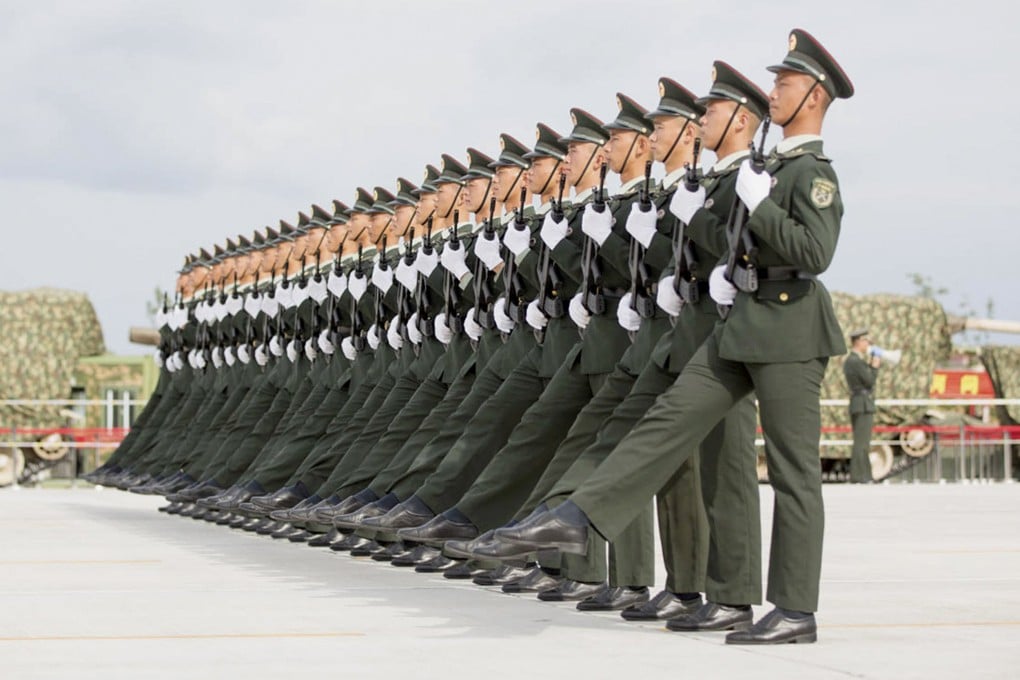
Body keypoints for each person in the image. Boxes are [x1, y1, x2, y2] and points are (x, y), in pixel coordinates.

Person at [488, 28, 854, 645]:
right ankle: (578, 517)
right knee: (663, 421)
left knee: (794, 476)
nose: (774, 92)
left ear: (813, 96)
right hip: (738, 326)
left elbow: (814, 253)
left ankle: (794, 610)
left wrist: (759, 207)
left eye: (784, 84)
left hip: (791, 329)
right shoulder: (764, 170)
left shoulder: (810, 174)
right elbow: (714, 245)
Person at [844, 328, 880, 483]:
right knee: (861, 443)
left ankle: (865, 475)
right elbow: (869, 381)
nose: (868, 344)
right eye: (865, 340)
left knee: (863, 443)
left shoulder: (853, 360)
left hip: (860, 402)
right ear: (858, 341)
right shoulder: (854, 361)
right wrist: (874, 367)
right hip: (862, 403)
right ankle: (860, 475)